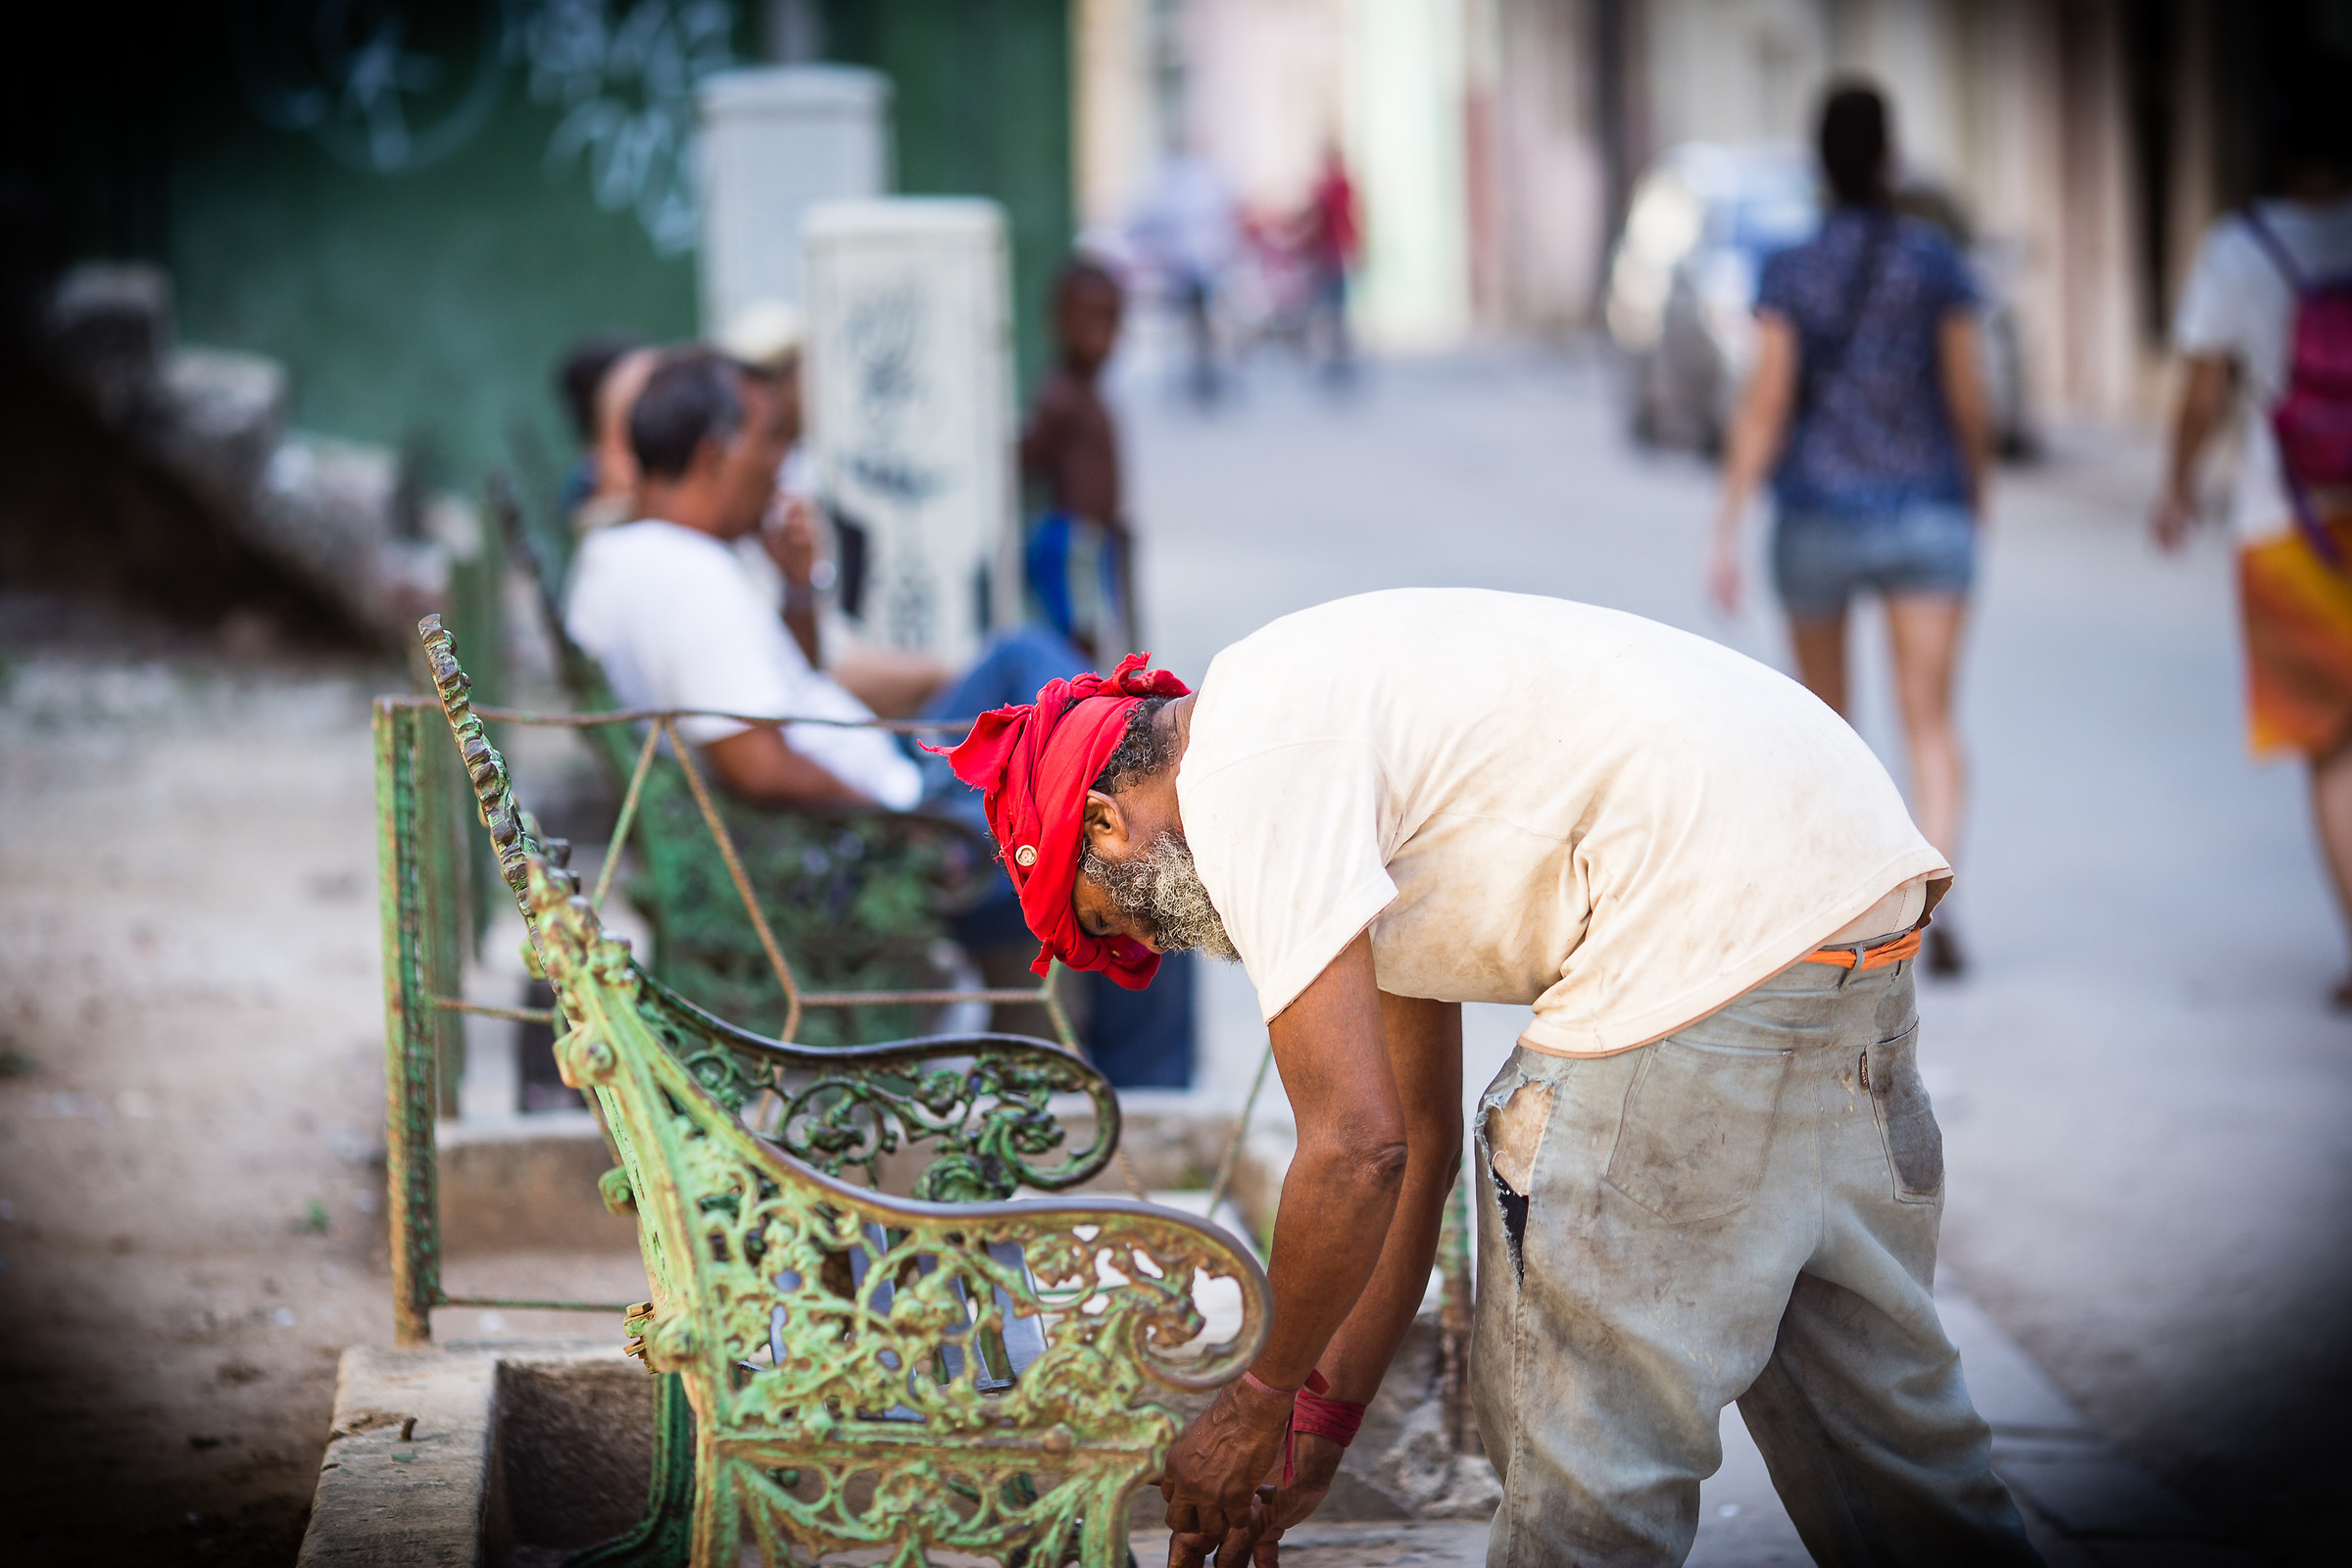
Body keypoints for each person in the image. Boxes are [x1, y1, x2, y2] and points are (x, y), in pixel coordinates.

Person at [942, 589, 2040, 1567]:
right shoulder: (1306, 723)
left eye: (1120, 914)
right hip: (1854, 870)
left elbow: (1354, 1150)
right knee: (1891, 1455)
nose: (1165, 936)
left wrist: (1253, 1402)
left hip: (1706, 917)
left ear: (1101, 821)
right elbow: (1408, 1150)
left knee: (1581, 1463)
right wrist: (1318, 1427)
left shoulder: (1241, 776)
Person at [1707, 82, 1991, 977]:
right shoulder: (1932, 258)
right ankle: (1931, 909)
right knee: (1932, 723)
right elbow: (1967, 396)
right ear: (1889, 156)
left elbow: (1768, 400)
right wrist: (1973, 492)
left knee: (1833, 732)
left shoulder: (1793, 267)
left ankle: (1856, 917)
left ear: (1818, 163)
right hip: (1925, 510)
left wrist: (1728, 521)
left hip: (1818, 516)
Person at [2155, 70, 2352, 1003]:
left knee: (2334, 752)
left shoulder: (2241, 249)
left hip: (2291, 530)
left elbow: (2203, 391)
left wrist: (2176, 486)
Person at [565, 348, 925, 808]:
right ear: (713, 457)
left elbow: (796, 684)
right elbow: (762, 769)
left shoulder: (613, 552)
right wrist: (906, 821)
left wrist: (796, 586)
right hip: (896, 806)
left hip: (885, 779)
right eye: (771, 440)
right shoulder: (691, 577)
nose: (782, 463)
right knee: (1023, 666)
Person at [1021, 256, 1136, 663]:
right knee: (1080, 637)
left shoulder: (1088, 393)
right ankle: (1074, 712)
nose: (1100, 336)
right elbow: (1029, 456)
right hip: (1072, 539)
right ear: (1061, 321)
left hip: (1093, 540)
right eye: (1088, 320)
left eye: (1110, 322)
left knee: (1095, 629)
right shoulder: (1063, 395)